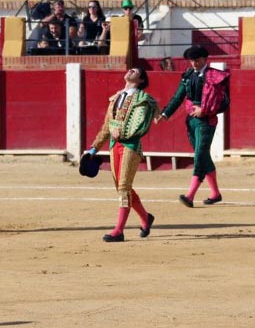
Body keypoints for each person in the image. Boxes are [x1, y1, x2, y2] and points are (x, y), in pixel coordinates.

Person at [154, 45, 231, 208]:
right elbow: (178, 96)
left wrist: (206, 110)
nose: (194, 63)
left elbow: (225, 103)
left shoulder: (216, 76)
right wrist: (165, 114)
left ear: (204, 59)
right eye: (191, 61)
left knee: (199, 156)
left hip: (206, 121)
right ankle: (215, 193)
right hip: (191, 121)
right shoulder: (188, 75)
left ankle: (190, 195)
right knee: (202, 155)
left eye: (196, 60)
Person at [87, 67, 158, 242]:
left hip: (131, 146)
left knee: (124, 187)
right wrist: (94, 148)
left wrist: (122, 133)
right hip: (114, 145)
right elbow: (107, 127)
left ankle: (119, 230)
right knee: (121, 187)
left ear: (141, 80)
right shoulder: (115, 98)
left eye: (135, 71)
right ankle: (146, 218)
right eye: (130, 69)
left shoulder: (144, 100)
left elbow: (141, 125)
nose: (131, 71)